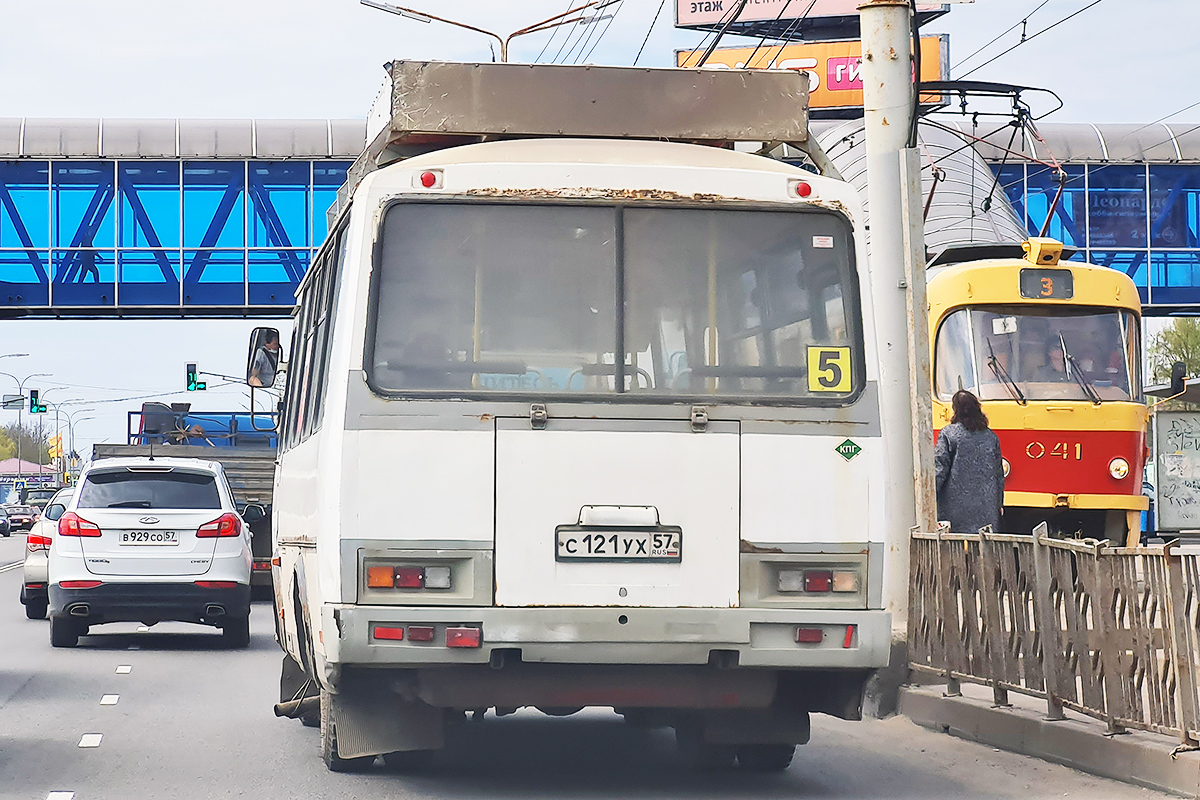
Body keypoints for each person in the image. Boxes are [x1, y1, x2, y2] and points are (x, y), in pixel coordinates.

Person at [935, 389, 1005, 534]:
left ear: (956, 410)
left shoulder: (949, 434)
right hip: (986, 507)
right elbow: (999, 474)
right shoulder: (991, 437)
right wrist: (999, 503)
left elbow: (939, 469)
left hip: (953, 507)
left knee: (956, 548)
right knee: (983, 548)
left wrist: (930, 496)